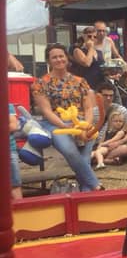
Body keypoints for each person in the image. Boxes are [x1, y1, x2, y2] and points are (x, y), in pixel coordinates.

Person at [31, 44, 102, 192]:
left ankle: (84, 196)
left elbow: (88, 108)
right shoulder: (40, 84)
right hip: (55, 124)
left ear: (67, 58)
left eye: (61, 56)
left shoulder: (80, 81)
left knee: (84, 161)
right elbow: (47, 112)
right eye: (54, 57)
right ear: (49, 61)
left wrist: (85, 125)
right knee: (70, 152)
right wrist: (66, 127)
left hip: (81, 122)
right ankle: (96, 186)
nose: (58, 59)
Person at [8, 104, 22, 199]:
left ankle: (22, 212)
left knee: (15, 184)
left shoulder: (6, 105)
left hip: (8, 150)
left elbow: (14, 126)